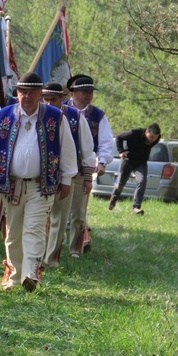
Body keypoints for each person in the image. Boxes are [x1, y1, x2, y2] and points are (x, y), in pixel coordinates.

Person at [0, 73, 77, 292]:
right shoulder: (4, 115)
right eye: (23, 92)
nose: (27, 97)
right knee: (13, 232)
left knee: (34, 228)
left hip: (40, 185)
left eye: (32, 92)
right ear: (17, 93)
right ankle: (14, 275)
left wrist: (67, 179)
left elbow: (68, 149)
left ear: (40, 93)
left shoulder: (54, 117)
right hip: (11, 185)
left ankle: (32, 272)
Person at [41, 82, 97, 267]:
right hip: (40, 176)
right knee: (41, 218)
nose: (49, 103)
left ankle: (52, 259)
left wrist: (87, 178)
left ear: (62, 98)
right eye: (46, 99)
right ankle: (37, 255)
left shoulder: (75, 116)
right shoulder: (37, 115)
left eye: (53, 99)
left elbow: (87, 149)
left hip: (68, 176)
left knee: (60, 217)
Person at [66, 75, 114, 256]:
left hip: (82, 170)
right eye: (85, 91)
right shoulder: (59, 108)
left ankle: (75, 249)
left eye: (91, 92)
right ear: (74, 92)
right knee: (55, 212)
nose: (89, 95)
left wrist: (102, 162)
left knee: (78, 212)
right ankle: (51, 249)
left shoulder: (98, 115)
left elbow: (105, 142)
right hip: (59, 169)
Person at [108, 123, 162, 215]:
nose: (152, 140)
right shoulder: (134, 133)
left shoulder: (156, 139)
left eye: (155, 138)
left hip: (141, 163)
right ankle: (114, 198)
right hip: (128, 160)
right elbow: (119, 137)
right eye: (151, 137)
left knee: (142, 181)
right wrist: (121, 151)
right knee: (121, 182)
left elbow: (149, 145)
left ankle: (136, 207)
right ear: (147, 131)